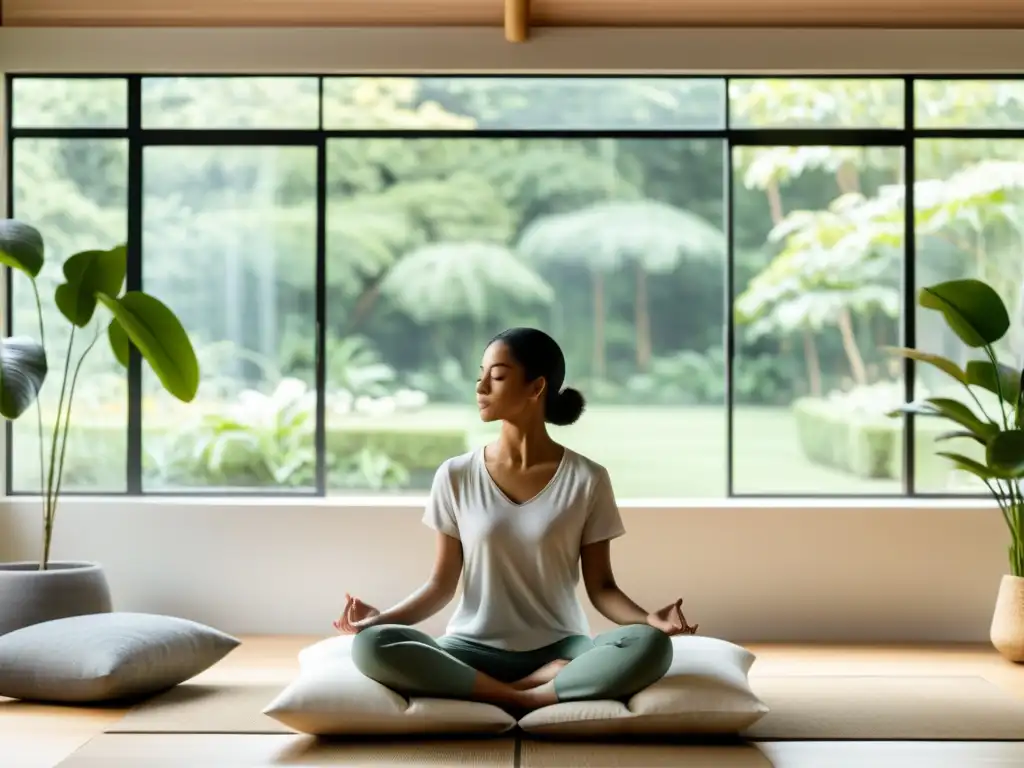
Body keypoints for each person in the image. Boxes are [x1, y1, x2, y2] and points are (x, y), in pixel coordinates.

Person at [335, 327, 698, 712]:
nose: (481, 386)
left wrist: (648, 620)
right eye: (481, 374)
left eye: (498, 375)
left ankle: (513, 687)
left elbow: (602, 587)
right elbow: (441, 585)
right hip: (470, 648)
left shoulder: (587, 479)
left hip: (562, 647)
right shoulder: (455, 475)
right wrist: (380, 619)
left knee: (651, 646)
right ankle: (525, 693)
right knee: (372, 645)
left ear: (536, 387)